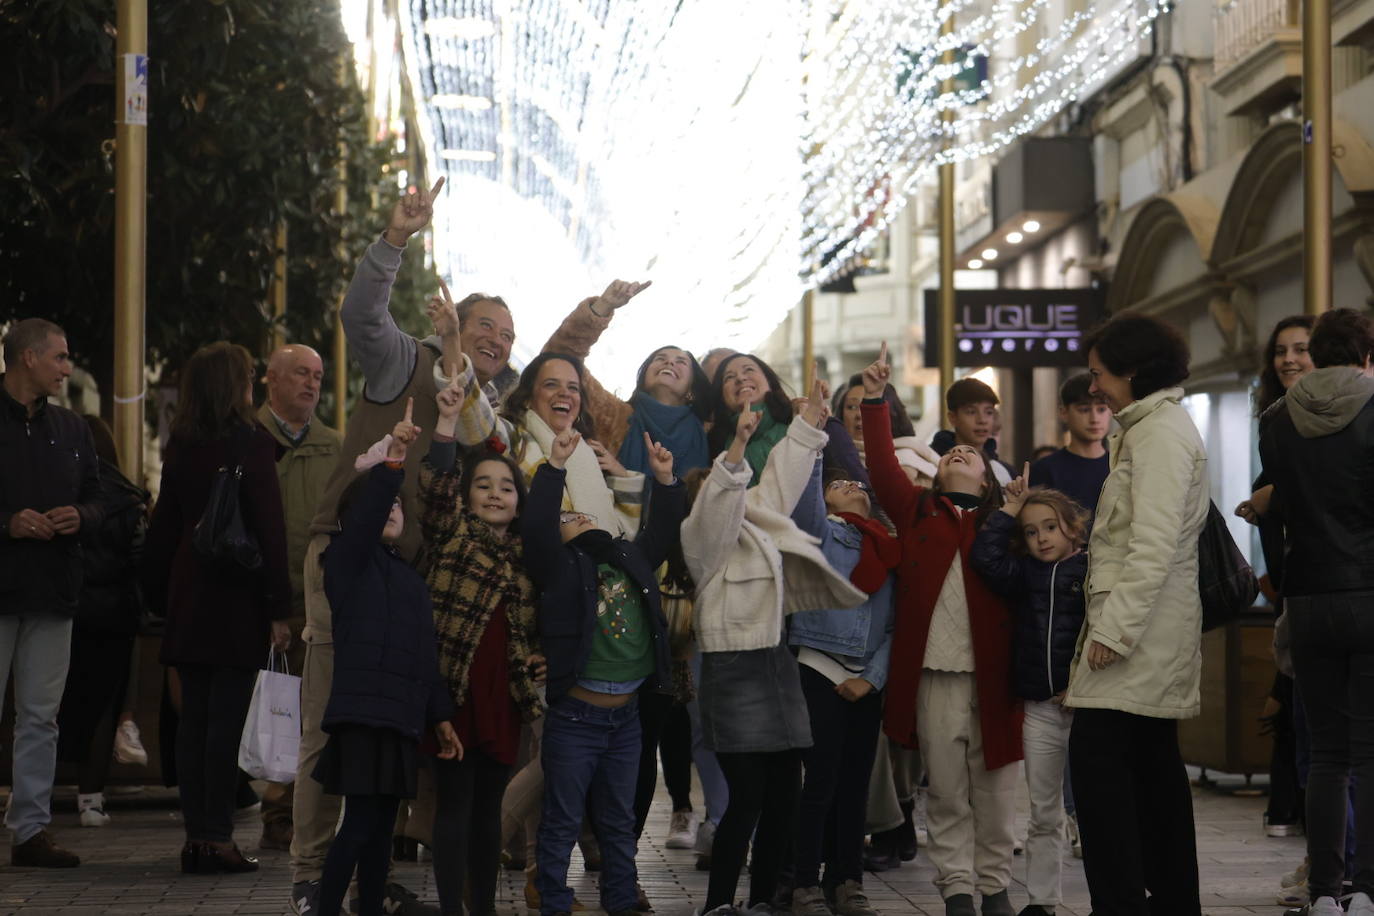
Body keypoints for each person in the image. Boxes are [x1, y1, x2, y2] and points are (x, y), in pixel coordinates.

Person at [683, 384, 866, 916]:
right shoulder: (703, 542)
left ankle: (761, 901)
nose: (739, 497)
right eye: (725, 490)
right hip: (733, 669)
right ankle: (719, 905)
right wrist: (736, 448)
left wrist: (808, 422)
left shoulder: (758, 524)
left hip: (776, 666)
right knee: (747, 799)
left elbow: (781, 480)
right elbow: (719, 503)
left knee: (785, 797)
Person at [858, 344, 1021, 916]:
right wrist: (876, 401)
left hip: (997, 677)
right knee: (947, 789)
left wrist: (1016, 518)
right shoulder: (917, 512)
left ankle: (995, 883)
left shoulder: (1004, 525)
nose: (960, 455)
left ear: (989, 477)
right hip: (932, 673)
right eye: (953, 453)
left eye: (971, 457)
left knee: (997, 788)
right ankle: (956, 886)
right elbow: (880, 467)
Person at [1064, 311, 1207, 915]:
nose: (1094, 386)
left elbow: (1153, 544)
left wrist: (1114, 630)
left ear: (1133, 369)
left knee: (1100, 770)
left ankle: (1123, 903)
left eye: (1100, 373)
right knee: (1151, 773)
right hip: (1140, 635)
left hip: (1135, 638)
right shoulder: (1145, 429)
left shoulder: (1160, 434)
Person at [142, 341, 293, 875]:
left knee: (193, 723)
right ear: (236, 387)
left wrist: (158, 596)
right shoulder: (251, 444)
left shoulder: (181, 443)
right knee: (224, 721)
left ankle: (196, 839)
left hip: (189, 594)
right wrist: (280, 607)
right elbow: (270, 531)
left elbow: (163, 529)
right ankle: (218, 838)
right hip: (235, 597)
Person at [521, 427, 685, 916]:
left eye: (583, 511)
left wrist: (665, 479)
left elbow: (661, 531)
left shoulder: (628, 557)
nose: (575, 517)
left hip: (626, 719)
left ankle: (619, 900)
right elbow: (535, 528)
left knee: (617, 820)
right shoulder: (560, 566)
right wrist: (553, 469)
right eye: (564, 516)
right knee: (562, 819)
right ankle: (553, 901)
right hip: (576, 718)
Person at [314, 408, 461, 916]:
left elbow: (426, 656)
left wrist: (439, 717)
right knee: (357, 828)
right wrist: (391, 465)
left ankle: (370, 908)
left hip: (400, 720)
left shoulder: (411, 581)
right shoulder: (345, 561)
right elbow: (363, 520)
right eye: (383, 505)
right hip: (362, 719)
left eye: (399, 505)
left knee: (380, 835)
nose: (393, 509)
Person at [1259, 307, 1374, 916]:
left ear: (1317, 355)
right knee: (1371, 751)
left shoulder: (1277, 420)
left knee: (1327, 755)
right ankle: (1369, 889)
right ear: (1364, 356)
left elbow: (1282, 516)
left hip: (1307, 600)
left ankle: (1325, 890)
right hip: (1369, 593)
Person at [419, 383, 544, 916]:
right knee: (455, 804)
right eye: (484, 486)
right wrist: (446, 423)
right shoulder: (452, 533)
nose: (495, 494)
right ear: (468, 496)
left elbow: (535, 622)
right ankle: (452, 908)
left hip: (503, 696)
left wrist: (540, 654)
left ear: (519, 502)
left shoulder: (526, 558)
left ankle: (484, 908)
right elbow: (439, 486)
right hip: (456, 693)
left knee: (489, 810)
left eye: (507, 488)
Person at [0, 318, 102, 868]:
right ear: (27, 359)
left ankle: (30, 830)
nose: (67, 367)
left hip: (53, 592)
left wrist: (78, 516)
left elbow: (100, 499)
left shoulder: (72, 429)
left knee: (41, 716)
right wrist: (8, 524)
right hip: (3, 589)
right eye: (59, 358)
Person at [971, 480, 1090, 916]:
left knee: (1097, 809)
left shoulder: (1091, 571)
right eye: (1031, 531)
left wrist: (1082, 686)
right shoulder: (1023, 575)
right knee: (1044, 810)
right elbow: (984, 557)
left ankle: (1112, 896)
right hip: (1040, 707)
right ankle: (1042, 901)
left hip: (1086, 707)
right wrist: (1009, 510)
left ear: (1072, 529)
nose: (1041, 538)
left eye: (1050, 527)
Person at [786, 473, 897, 916]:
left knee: (855, 787)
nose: (851, 484)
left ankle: (848, 881)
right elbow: (805, 506)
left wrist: (873, 678)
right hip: (817, 664)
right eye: (838, 483)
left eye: (858, 483)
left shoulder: (889, 547)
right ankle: (805, 884)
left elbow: (895, 625)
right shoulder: (820, 533)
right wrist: (812, 453)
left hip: (867, 678)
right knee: (819, 784)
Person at [256, 343, 341, 852]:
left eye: (318, 375)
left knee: (309, 715)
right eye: (300, 374)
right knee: (271, 710)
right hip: (259, 599)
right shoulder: (247, 441)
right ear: (271, 379)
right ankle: (272, 808)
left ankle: (291, 814)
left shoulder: (334, 445)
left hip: (316, 602)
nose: (311, 384)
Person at [56, 416, 150, 829]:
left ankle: (31, 796)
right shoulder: (128, 498)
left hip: (63, 608)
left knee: (49, 706)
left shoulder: (59, 492)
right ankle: (91, 801)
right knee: (103, 707)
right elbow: (140, 559)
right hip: (114, 613)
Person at [706, 353, 795, 486]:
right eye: (729, 377)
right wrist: (740, 440)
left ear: (769, 381)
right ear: (722, 396)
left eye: (749, 369)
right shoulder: (714, 443)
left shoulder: (797, 422)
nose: (740, 378)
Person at [831, 375, 938, 486]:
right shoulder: (833, 458)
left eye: (867, 406)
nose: (859, 414)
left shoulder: (907, 460)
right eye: (852, 407)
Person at [1028, 373, 1111, 516]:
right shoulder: (1044, 469)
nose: (1094, 418)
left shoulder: (1120, 466)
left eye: (1101, 409)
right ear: (1064, 412)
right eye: (1084, 410)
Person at [929, 378, 1014, 485]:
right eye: (971, 412)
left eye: (988, 412)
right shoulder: (931, 464)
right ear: (952, 417)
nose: (982, 420)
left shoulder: (1006, 472)